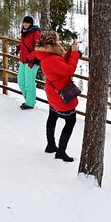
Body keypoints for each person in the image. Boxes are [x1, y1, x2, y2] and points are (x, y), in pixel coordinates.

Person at [35, 30, 81, 162]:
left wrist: (71, 52)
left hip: (53, 92)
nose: (59, 41)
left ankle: (50, 145)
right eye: (57, 40)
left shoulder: (47, 55)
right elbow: (68, 70)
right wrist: (74, 54)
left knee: (53, 116)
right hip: (61, 93)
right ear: (52, 43)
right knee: (70, 121)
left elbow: (61, 65)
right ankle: (61, 151)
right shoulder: (52, 59)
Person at [15, 15, 41, 110]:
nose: (25, 24)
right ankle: (29, 100)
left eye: (28, 23)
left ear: (31, 24)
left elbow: (39, 47)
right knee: (20, 81)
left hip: (32, 61)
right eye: (24, 22)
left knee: (29, 83)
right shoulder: (24, 31)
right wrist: (18, 46)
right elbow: (24, 43)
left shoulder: (35, 32)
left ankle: (30, 103)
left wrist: (30, 57)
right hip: (23, 60)